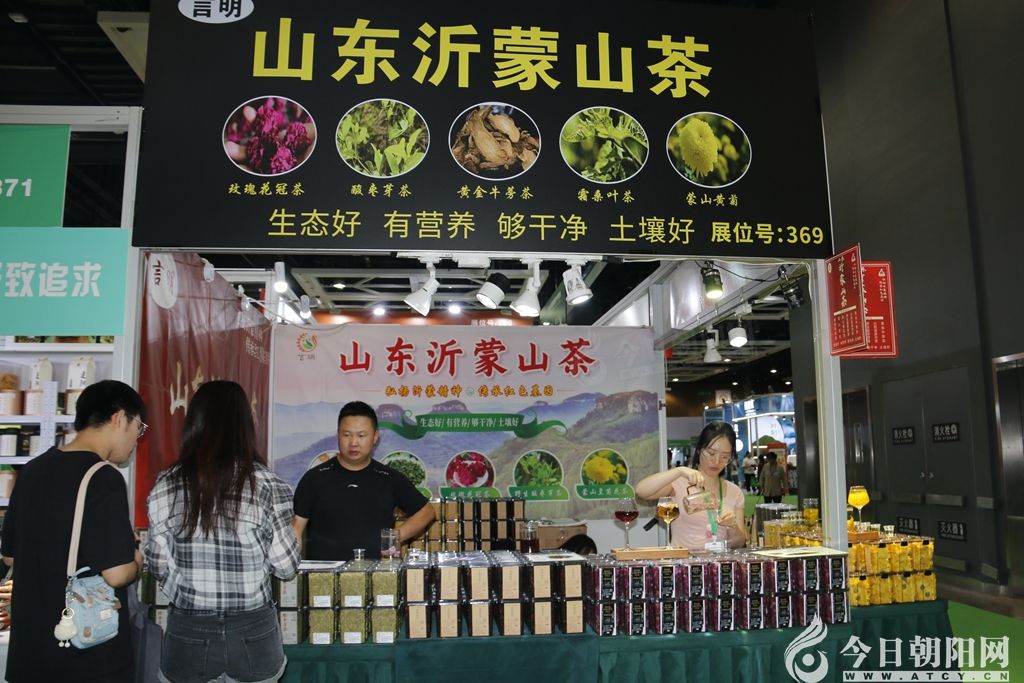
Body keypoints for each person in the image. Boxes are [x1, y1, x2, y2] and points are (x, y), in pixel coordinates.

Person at [145, 380, 299, 683]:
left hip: (189, 631)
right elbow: (285, 566)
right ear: (245, 425)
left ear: (194, 422)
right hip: (253, 633)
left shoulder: (167, 483)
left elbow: (157, 563)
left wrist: (190, 595)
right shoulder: (268, 484)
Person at [1, 380, 145, 683]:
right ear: (120, 418)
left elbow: (11, 557)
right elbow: (117, 574)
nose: (136, 439)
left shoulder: (32, 469)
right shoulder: (104, 476)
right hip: (85, 655)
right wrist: (137, 559)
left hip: (30, 652)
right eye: (138, 428)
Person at [292, 401, 435, 560]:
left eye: (361, 435)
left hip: (375, 572)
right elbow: (296, 527)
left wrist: (393, 538)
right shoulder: (314, 478)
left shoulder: (388, 477)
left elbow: (427, 512)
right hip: (323, 573)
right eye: (346, 435)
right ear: (338, 434)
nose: (353, 443)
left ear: (375, 437)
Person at [635, 421, 748, 551]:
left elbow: (739, 543)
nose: (716, 461)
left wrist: (732, 525)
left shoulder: (735, 492)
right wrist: (679, 471)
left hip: (718, 561)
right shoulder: (679, 483)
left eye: (725, 456)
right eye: (711, 453)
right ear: (699, 450)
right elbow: (641, 491)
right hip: (684, 561)